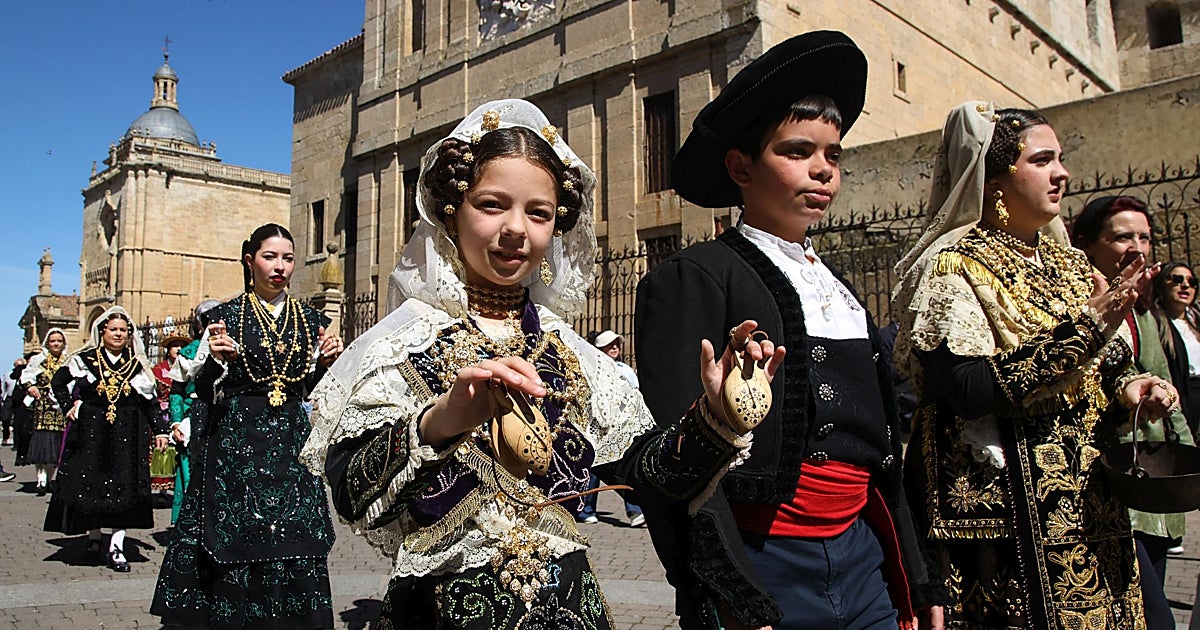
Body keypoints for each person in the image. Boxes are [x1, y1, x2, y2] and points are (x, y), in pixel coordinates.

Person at [299, 99, 781, 629]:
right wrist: (442, 420)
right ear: (451, 210)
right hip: (443, 610)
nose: (516, 230)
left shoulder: (568, 352)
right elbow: (350, 491)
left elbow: (648, 476)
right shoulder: (402, 344)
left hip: (567, 606)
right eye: (491, 205)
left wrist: (714, 421)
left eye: (538, 213)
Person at [636, 31, 937, 630]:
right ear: (741, 166)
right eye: (799, 151)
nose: (823, 168)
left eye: (834, 153)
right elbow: (668, 464)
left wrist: (918, 574)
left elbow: (882, 459)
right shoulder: (695, 277)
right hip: (766, 558)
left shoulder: (842, 290)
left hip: (862, 555)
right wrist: (729, 588)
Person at [893, 102, 1179, 628]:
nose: (1062, 173)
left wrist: (1135, 389)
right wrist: (1087, 328)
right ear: (995, 178)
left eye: (1061, 159)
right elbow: (970, 388)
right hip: (1007, 518)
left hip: (1091, 502)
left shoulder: (1069, 263)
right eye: (1043, 160)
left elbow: (1107, 366)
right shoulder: (954, 267)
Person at [150, 224, 345, 628]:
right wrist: (216, 363)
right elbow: (199, 390)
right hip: (237, 443)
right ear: (249, 260)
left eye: (288, 258)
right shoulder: (224, 318)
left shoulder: (311, 320)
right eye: (270, 257)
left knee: (294, 535)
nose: (280, 267)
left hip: (291, 444)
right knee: (238, 535)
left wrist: (327, 365)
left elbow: (306, 390)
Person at [1070, 194, 1192, 630]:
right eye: (1122, 237)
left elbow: (1163, 384)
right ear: (1086, 244)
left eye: (1145, 236)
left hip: (1155, 489)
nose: (1137, 247)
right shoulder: (1078, 309)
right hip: (1105, 487)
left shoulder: (1145, 313)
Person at [44, 307, 167, 573]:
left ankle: (117, 546)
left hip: (126, 433)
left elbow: (149, 402)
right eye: (114, 329)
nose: (118, 334)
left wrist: (160, 430)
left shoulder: (136, 365)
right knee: (92, 483)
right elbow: (57, 382)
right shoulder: (85, 360)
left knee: (123, 486)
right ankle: (93, 535)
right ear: (103, 332)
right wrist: (68, 406)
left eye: (123, 330)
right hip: (91, 432)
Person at [576, 330, 645, 527]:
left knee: (626, 465)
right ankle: (587, 509)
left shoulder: (625, 370)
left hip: (622, 424)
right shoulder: (590, 368)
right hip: (598, 424)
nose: (614, 347)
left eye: (616, 343)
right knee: (595, 468)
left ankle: (635, 510)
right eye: (609, 344)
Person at [165, 298, 222, 526]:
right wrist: (176, 422)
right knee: (191, 469)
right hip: (193, 417)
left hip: (222, 415)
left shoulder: (231, 348)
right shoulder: (188, 352)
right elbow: (176, 391)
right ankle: (190, 524)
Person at [19, 328, 69, 495]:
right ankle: (41, 479)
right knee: (42, 443)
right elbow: (25, 377)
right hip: (42, 407)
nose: (56, 344)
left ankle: (50, 478)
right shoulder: (38, 360)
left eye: (59, 341)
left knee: (57, 444)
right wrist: (31, 387)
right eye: (53, 341)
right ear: (48, 343)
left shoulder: (68, 361)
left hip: (61, 408)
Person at [1156, 261, 1200, 436]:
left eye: (1192, 282)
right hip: (1182, 391)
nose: (1185, 286)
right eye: (1177, 279)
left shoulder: (1196, 320)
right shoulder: (1157, 323)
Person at [149, 335, 188, 507]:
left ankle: (172, 485)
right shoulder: (158, 370)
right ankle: (162, 490)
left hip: (180, 411)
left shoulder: (188, 366)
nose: (178, 349)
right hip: (162, 413)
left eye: (181, 346)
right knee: (161, 450)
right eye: (174, 346)